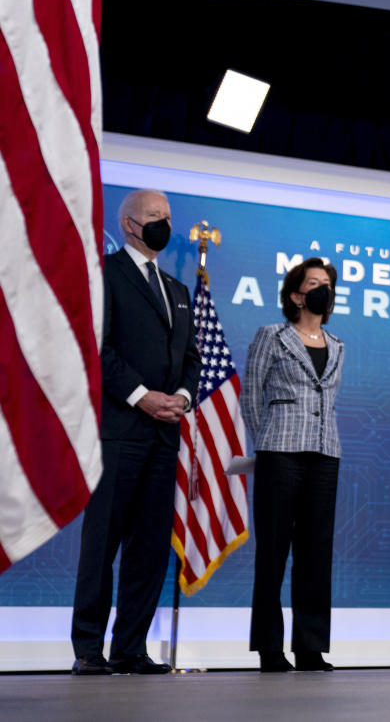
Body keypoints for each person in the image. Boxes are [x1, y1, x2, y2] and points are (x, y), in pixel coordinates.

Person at [71, 189, 201, 676]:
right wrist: (142, 395)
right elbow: (96, 348)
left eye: (167, 216)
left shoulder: (179, 291)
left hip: (165, 437)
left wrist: (182, 399)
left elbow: (191, 359)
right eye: (154, 216)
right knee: (102, 544)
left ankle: (130, 647)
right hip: (120, 431)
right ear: (128, 224)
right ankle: (88, 648)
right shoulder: (104, 275)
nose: (164, 224)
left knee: (148, 547)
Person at [242, 258, 345, 673]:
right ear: (295, 294)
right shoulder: (273, 335)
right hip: (279, 452)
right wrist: (263, 441)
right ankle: (269, 648)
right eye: (314, 283)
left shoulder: (338, 345)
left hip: (325, 454)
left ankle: (310, 647)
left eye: (327, 284)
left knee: (316, 552)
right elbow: (251, 394)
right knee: (272, 551)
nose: (322, 290)